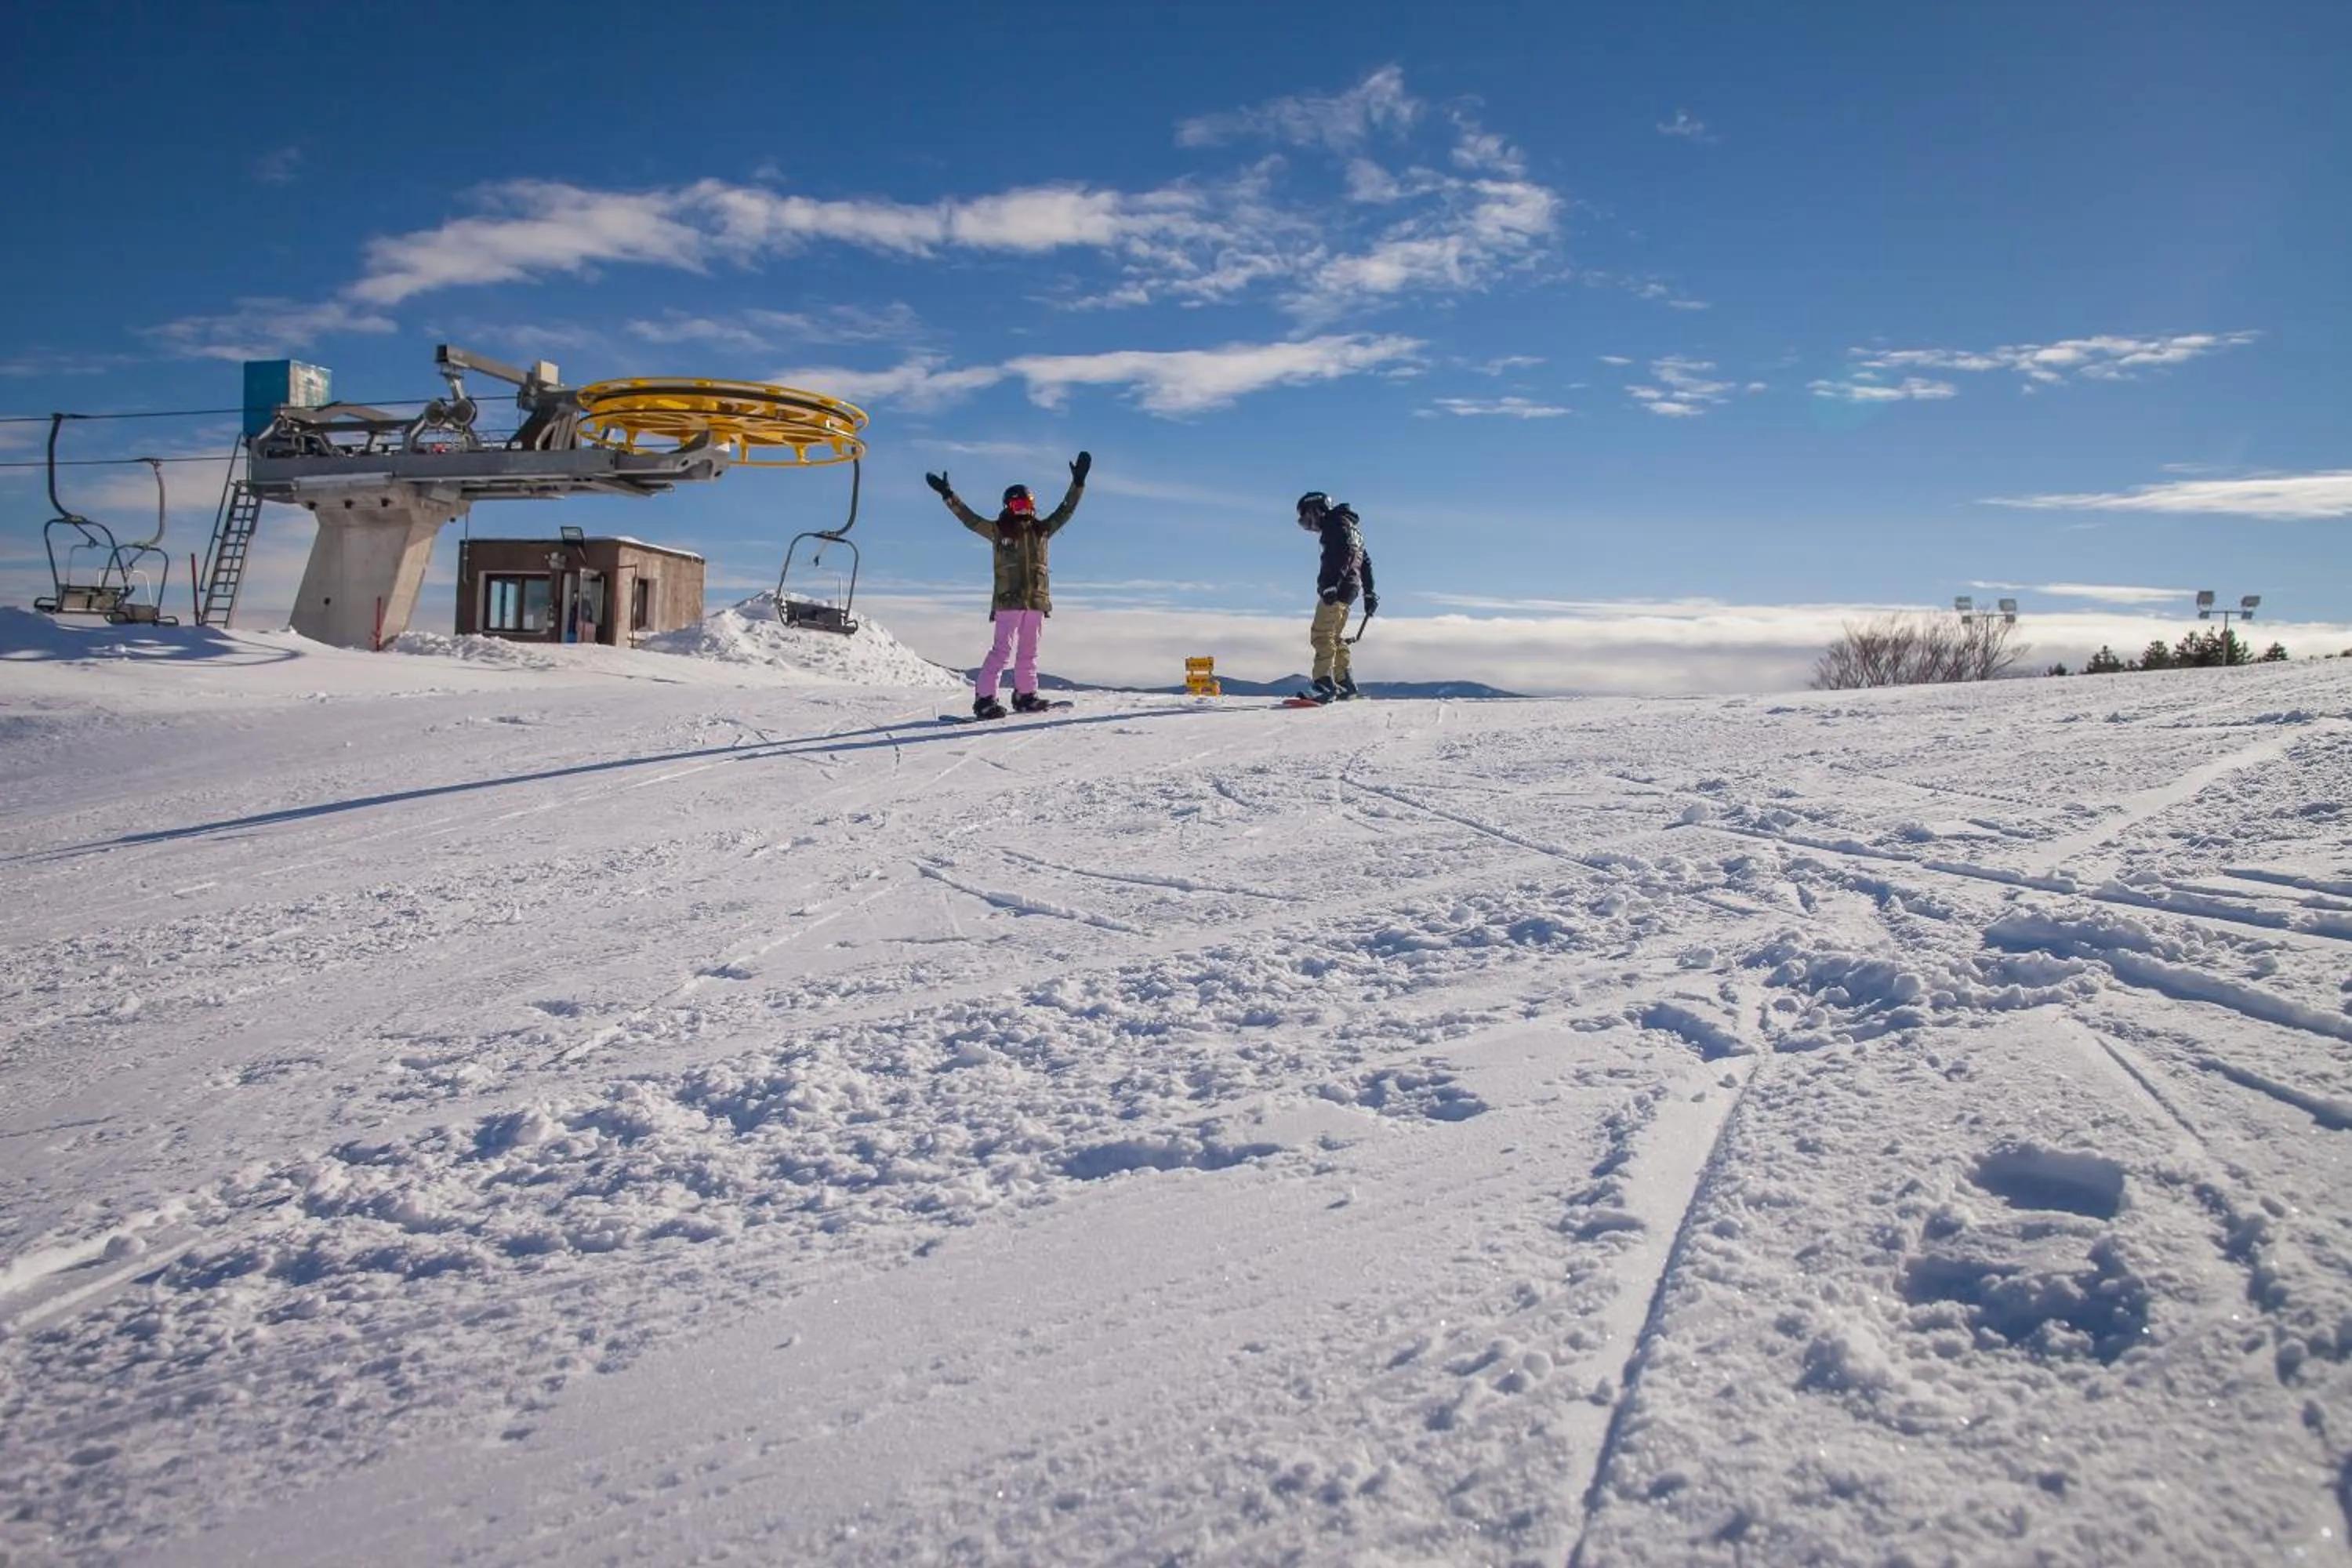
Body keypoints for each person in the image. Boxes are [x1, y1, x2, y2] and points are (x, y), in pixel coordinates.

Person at [926, 452, 1091, 718]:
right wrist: (949, 495)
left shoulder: (1042, 531)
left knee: (1029, 652)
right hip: (1009, 601)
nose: (1024, 510)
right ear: (1007, 507)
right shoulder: (998, 532)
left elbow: (1066, 509)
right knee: (1002, 651)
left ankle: (1025, 695)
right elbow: (969, 519)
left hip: (1036, 601)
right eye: (1018, 505)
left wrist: (1078, 483)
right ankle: (985, 699)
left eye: (1027, 504)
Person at [1296, 490, 1377, 702]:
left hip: (1337, 588)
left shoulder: (1335, 525)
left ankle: (1323, 685)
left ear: (1317, 511)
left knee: (1322, 635)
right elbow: (1364, 561)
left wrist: (1330, 584)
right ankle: (1345, 682)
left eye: (1307, 519)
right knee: (1335, 636)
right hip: (1350, 589)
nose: (1309, 526)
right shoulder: (1351, 528)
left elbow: (1340, 555)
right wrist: (1369, 592)